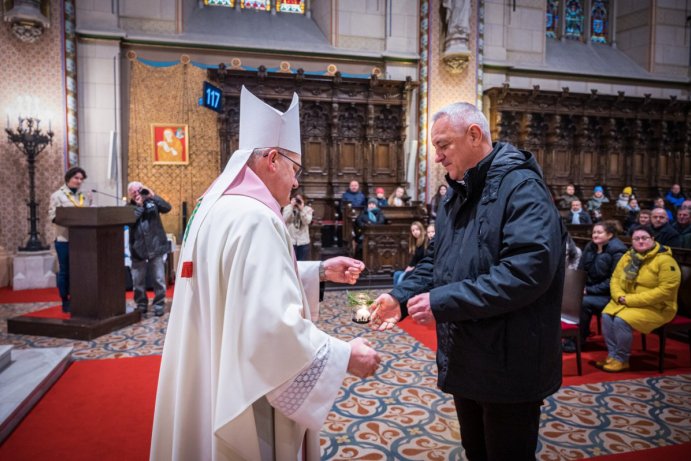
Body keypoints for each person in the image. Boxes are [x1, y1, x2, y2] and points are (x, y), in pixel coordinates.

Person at [151, 87, 380, 461]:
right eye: (295, 169)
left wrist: (318, 271)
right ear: (272, 159)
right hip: (245, 388)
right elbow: (272, 327)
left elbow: (235, 282)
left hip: (209, 367)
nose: (295, 183)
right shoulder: (256, 218)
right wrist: (345, 356)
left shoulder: (216, 207)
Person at [370, 102, 565, 460]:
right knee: (475, 449)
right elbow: (436, 262)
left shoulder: (522, 188)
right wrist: (401, 296)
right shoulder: (457, 194)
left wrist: (443, 303)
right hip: (469, 352)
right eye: (436, 148)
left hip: (510, 359)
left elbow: (526, 272)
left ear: (474, 135)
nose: (439, 157)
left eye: (444, 145)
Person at [599, 225, 680, 372]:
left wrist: (630, 300)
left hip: (658, 307)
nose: (640, 241)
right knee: (606, 315)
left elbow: (666, 290)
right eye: (636, 239)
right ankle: (612, 355)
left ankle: (622, 359)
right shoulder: (628, 256)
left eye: (644, 238)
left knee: (620, 320)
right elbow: (615, 279)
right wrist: (619, 296)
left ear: (653, 239)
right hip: (628, 302)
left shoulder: (665, 260)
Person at [563, 221, 627, 352]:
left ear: (609, 235)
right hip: (590, 290)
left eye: (599, 232)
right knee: (567, 295)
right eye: (594, 232)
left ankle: (577, 340)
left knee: (583, 303)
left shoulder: (618, 251)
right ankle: (570, 334)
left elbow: (614, 280)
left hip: (609, 294)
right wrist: (578, 286)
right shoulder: (590, 246)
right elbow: (581, 270)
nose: (595, 235)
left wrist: (589, 290)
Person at [48, 167, 92, 313]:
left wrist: (90, 204)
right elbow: (52, 216)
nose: (79, 181)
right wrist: (71, 221)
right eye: (76, 178)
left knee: (79, 270)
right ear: (68, 178)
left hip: (81, 240)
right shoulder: (58, 195)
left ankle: (78, 297)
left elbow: (87, 215)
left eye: (81, 179)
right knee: (65, 271)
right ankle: (65, 300)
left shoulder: (83, 196)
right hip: (64, 239)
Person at [127, 182, 172, 316]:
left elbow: (167, 208)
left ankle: (159, 305)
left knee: (159, 279)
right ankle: (141, 304)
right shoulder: (128, 207)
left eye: (139, 190)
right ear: (129, 194)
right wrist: (140, 206)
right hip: (138, 249)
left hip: (156, 245)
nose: (137, 194)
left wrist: (153, 195)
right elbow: (130, 221)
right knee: (138, 281)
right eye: (133, 192)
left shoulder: (152, 202)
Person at [393, 221, 429, 286]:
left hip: (422, 269)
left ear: (422, 230)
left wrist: (408, 271)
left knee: (402, 276)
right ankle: (395, 293)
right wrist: (407, 270)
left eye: (417, 229)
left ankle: (399, 293)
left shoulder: (426, 242)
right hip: (416, 268)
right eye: (413, 230)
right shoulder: (416, 243)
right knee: (397, 273)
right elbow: (413, 261)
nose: (415, 232)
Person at [282, 192, 313, 261]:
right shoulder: (288, 208)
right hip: (291, 240)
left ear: (304, 200)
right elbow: (284, 219)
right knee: (290, 262)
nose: (298, 202)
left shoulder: (308, 209)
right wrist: (291, 207)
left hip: (303, 241)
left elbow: (307, 221)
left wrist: (302, 210)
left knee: (301, 263)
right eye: (297, 200)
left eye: (300, 200)